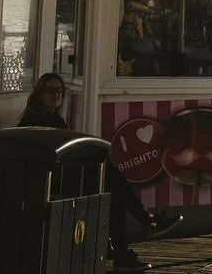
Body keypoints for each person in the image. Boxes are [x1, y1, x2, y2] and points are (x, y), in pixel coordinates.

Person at [17, 73, 181, 273]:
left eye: (59, 91)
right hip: (48, 181)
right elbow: (48, 156)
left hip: (59, 177)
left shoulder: (54, 118)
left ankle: (131, 242)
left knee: (113, 191)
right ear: (40, 93)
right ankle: (145, 224)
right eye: (50, 90)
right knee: (111, 179)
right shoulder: (34, 120)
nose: (56, 95)